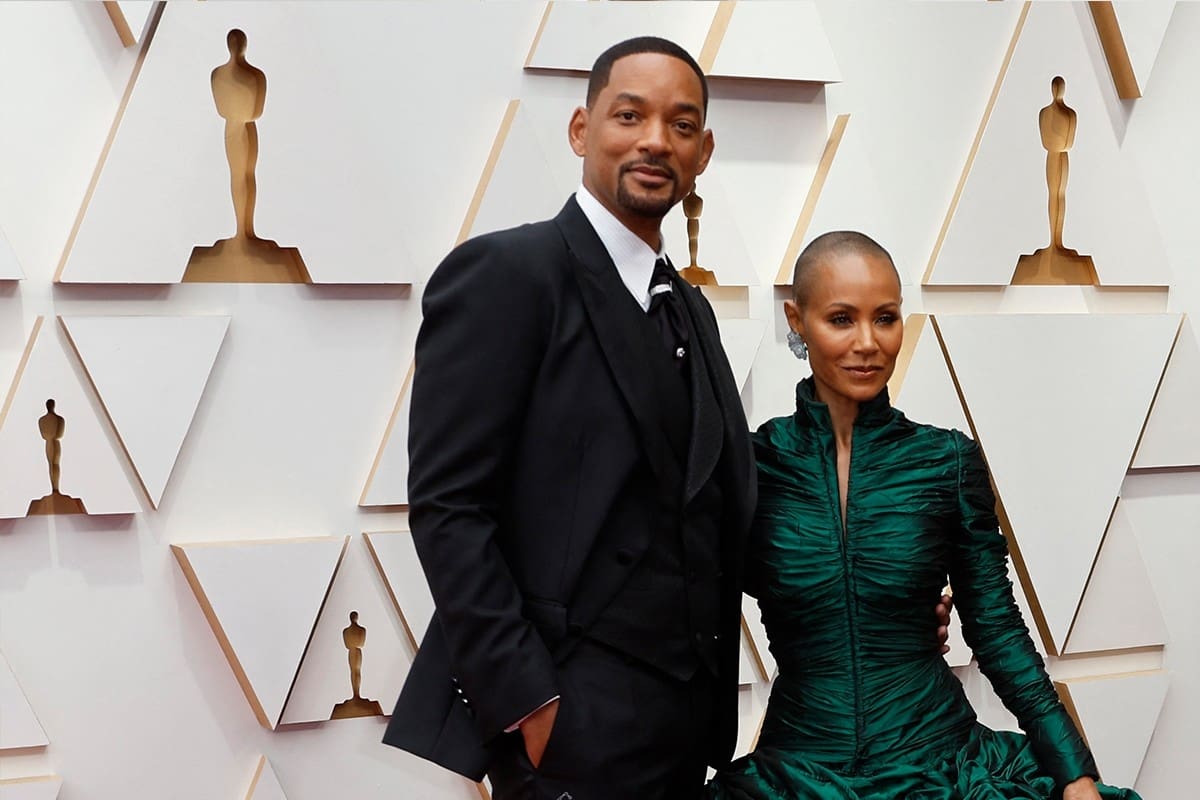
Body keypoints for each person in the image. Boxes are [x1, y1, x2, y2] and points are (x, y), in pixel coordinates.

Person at [382, 37, 758, 800]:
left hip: (687, 728)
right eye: (630, 115)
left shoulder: (692, 309)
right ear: (582, 131)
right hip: (566, 727)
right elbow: (449, 508)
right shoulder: (507, 274)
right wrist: (529, 703)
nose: (656, 141)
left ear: (704, 153)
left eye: (682, 125)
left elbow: (711, 505)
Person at [705, 231, 1139, 800]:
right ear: (797, 320)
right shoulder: (749, 467)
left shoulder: (946, 460)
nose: (868, 343)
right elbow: (693, 612)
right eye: (841, 319)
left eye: (885, 318)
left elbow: (996, 627)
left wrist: (1074, 770)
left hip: (940, 765)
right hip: (797, 772)